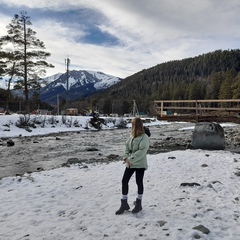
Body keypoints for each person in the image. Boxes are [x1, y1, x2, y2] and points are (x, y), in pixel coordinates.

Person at [115, 117, 150, 215]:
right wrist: (126, 158)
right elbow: (126, 146)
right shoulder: (132, 135)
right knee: (124, 181)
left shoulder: (144, 137)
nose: (132, 126)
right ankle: (124, 203)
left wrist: (130, 160)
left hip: (140, 164)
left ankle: (139, 203)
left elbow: (142, 151)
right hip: (130, 163)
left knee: (139, 182)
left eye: (133, 124)